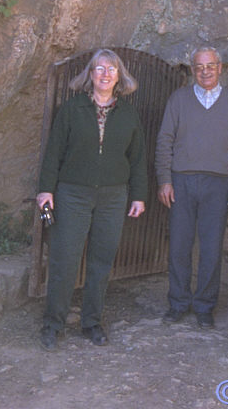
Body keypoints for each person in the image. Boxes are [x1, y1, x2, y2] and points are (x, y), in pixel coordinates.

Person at [36, 49, 147, 351]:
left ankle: (91, 322)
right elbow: (54, 151)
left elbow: (137, 159)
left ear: (119, 76)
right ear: (90, 75)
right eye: (99, 69)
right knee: (65, 258)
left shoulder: (128, 114)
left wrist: (138, 195)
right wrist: (46, 189)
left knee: (101, 261)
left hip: (113, 196)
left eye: (111, 69)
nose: (105, 74)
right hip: (73, 193)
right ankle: (53, 324)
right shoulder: (72, 109)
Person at [155, 46, 228, 329]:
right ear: (192, 70)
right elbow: (164, 141)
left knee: (211, 248)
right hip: (182, 181)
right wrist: (165, 179)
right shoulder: (179, 99)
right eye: (199, 67)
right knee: (179, 246)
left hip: (218, 183)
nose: (205, 71)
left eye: (210, 66)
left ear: (220, 68)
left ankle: (205, 306)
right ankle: (178, 303)